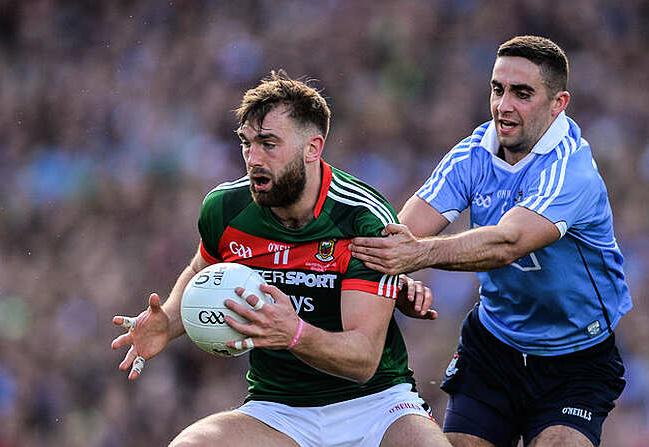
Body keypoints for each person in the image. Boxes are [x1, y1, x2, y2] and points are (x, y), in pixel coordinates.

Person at [111, 70, 450, 447]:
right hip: (278, 410)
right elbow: (202, 272)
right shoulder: (225, 208)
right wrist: (169, 322)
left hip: (377, 405)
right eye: (246, 143)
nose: (253, 158)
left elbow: (363, 359)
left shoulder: (362, 219)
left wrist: (295, 334)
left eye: (269, 143)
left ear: (312, 149)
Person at [349, 36, 632, 447]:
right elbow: (401, 234)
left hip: (576, 356)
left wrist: (416, 255)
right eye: (497, 90)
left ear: (558, 103)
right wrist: (400, 270)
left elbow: (508, 242)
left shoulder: (571, 169)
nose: (504, 105)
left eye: (522, 93)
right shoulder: (472, 154)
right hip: (494, 346)